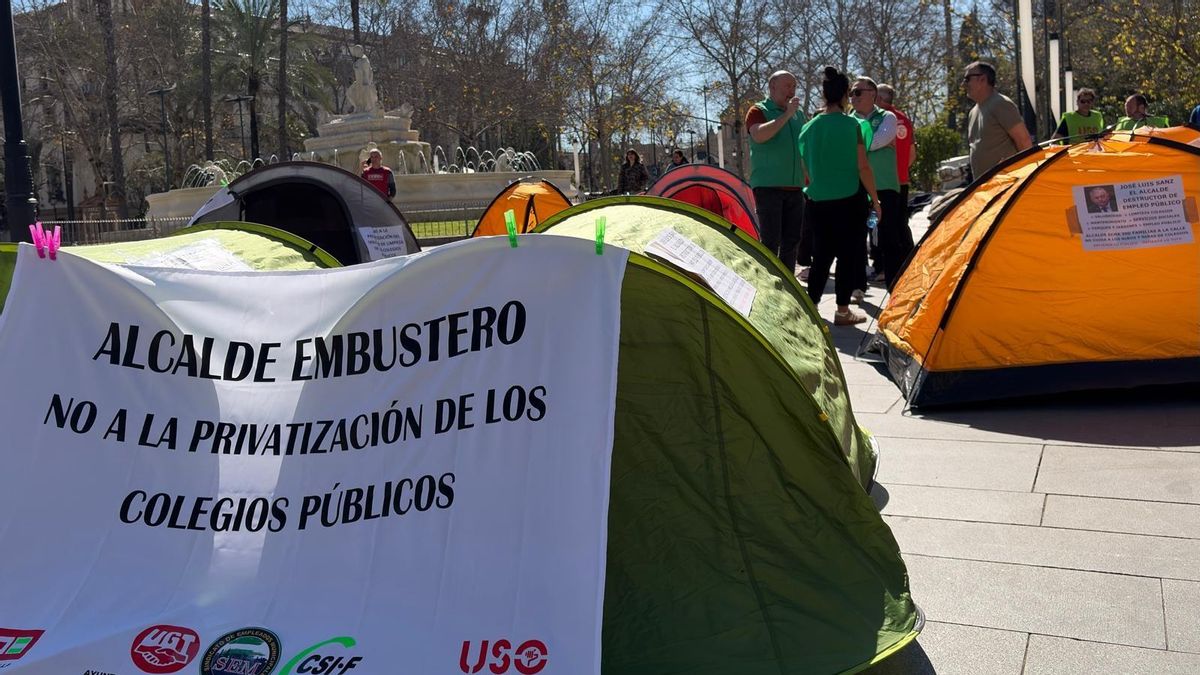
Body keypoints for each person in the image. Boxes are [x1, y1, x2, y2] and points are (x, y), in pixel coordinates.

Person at [799, 66, 883, 326]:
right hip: (850, 199)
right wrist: (876, 200)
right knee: (848, 255)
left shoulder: (808, 128)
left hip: (818, 200)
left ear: (823, 94)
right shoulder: (852, 126)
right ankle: (842, 310)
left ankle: (812, 309)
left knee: (821, 255)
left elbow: (805, 170)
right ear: (846, 94)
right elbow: (863, 166)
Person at [746, 70, 807, 273]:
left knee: (792, 241)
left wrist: (809, 178)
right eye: (787, 85)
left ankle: (788, 284)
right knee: (771, 241)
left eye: (794, 86)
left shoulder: (799, 115)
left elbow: (804, 147)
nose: (792, 90)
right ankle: (768, 282)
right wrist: (787, 114)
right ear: (772, 87)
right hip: (768, 187)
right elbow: (759, 136)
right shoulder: (757, 110)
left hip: (795, 186)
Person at [855, 80, 913, 292]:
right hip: (857, 186)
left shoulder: (889, 117)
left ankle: (895, 286)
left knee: (890, 236)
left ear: (873, 95)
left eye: (858, 92)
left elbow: (878, 140)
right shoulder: (849, 120)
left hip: (885, 186)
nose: (854, 96)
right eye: (852, 92)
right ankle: (857, 286)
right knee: (857, 236)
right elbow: (872, 143)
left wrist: (855, 145)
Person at [964, 61, 1033, 180]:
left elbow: (1024, 141)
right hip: (984, 188)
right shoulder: (973, 112)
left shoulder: (1001, 104)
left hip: (1006, 186)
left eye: (967, 79)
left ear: (982, 79)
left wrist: (1026, 178)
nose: (964, 84)